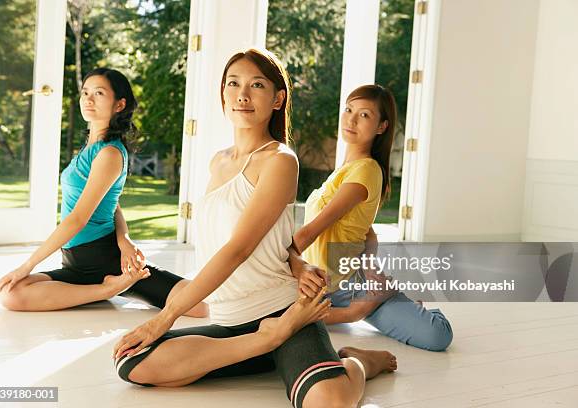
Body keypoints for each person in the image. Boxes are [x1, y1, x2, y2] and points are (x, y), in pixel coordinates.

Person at [113, 49, 397, 408]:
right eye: (233, 83)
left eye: (257, 85)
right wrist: (296, 261)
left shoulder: (280, 160)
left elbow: (239, 248)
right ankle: (266, 344)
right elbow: (266, 239)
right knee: (131, 363)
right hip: (232, 320)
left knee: (331, 404)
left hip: (284, 311)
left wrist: (165, 318)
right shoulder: (218, 160)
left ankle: (357, 360)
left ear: (278, 99)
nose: (242, 94)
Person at [0, 67, 206, 317]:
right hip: (76, 263)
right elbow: (111, 202)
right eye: (85, 92)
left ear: (119, 104)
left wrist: (27, 265)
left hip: (103, 259)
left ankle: (113, 286)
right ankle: (104, 290)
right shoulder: (91, 147)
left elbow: (77, 219)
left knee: (199, 306)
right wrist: (124, 237)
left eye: (98, 93)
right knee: (12, 293)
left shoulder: (109, 153)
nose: (88, 99)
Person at [290, 84, 453, 352]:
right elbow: (367, 231)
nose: (351, 119)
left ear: (381, 126)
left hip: (350, 288)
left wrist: (359, 309)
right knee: (277, 316)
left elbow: (310, 232)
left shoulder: (366, 170)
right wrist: (369, 264)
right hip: (326, 284)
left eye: (364, 115)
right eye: (349, 109)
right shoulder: (343, 170)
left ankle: (408, 302)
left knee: (437, 335)